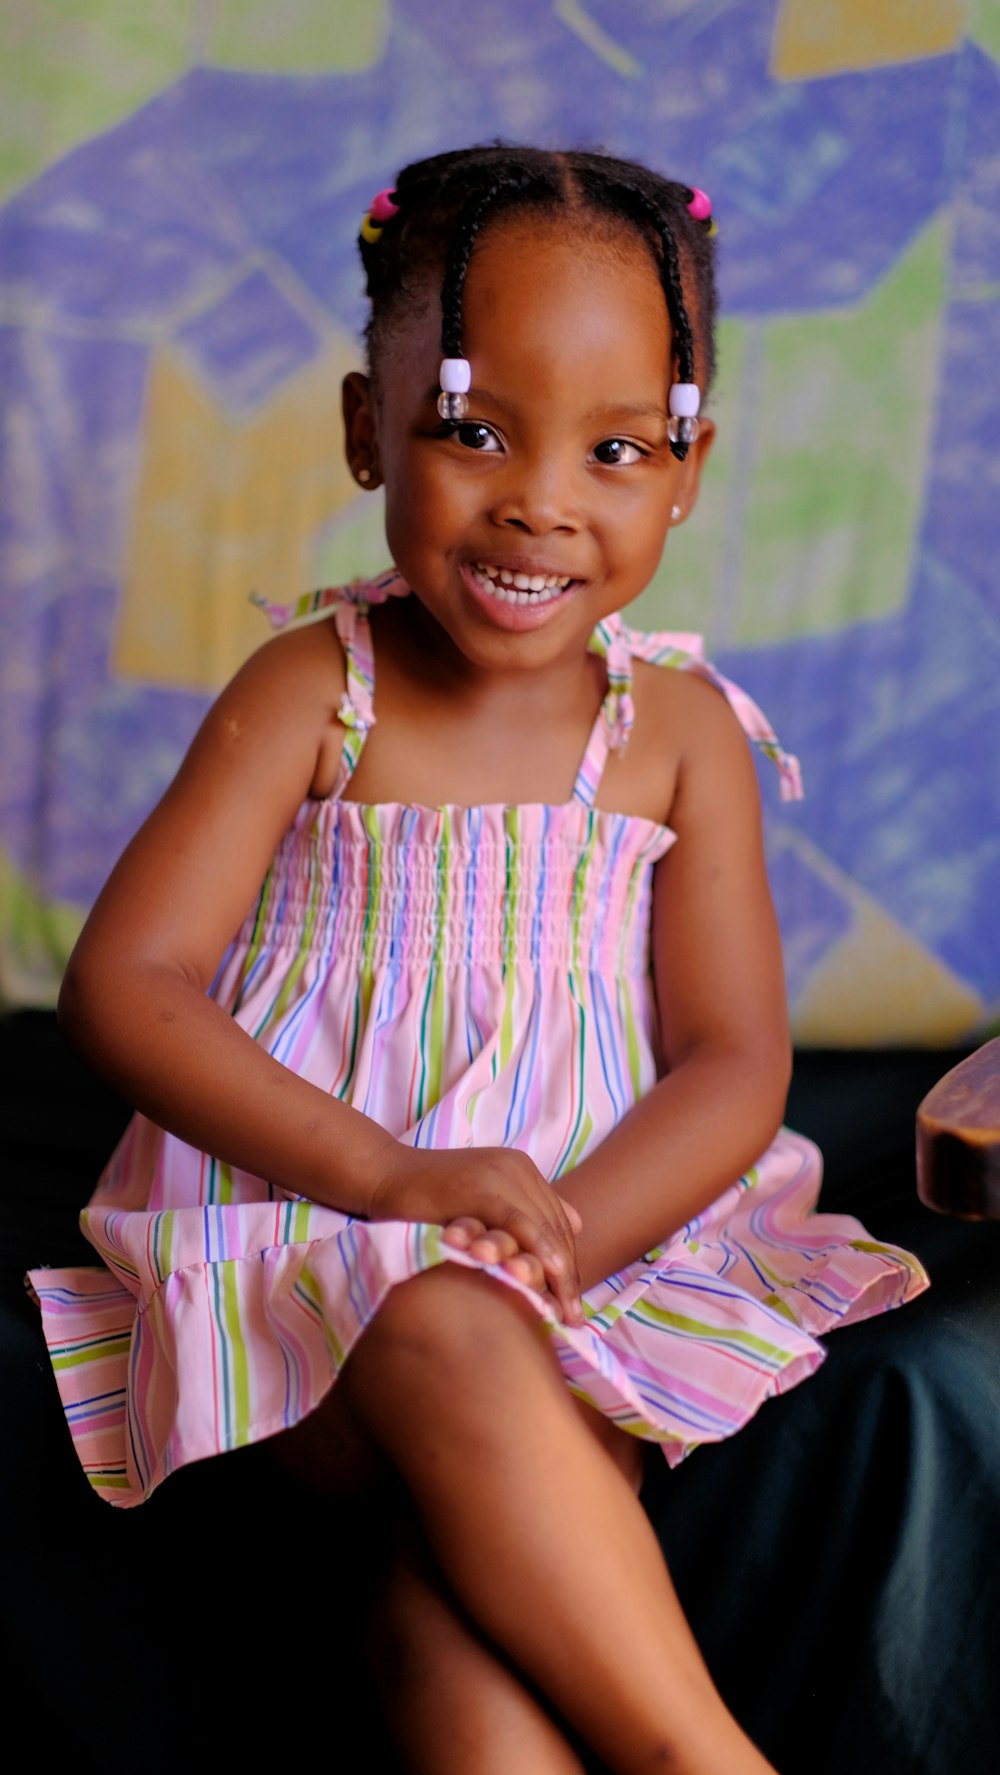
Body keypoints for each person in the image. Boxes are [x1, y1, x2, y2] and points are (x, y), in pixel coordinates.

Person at [28, 143, 929, 1775]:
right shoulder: (320, 690)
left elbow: (734, 1057)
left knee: (444, 1625)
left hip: (596, 1254)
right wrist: (388, 1177)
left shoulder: (678, 738)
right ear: (370, 429)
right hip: (315, 1254)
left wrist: (564, 1239)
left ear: (689, 468)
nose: (541, 499)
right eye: (471, 428)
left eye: (618, 447)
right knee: (443, 1317)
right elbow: (128, 985)